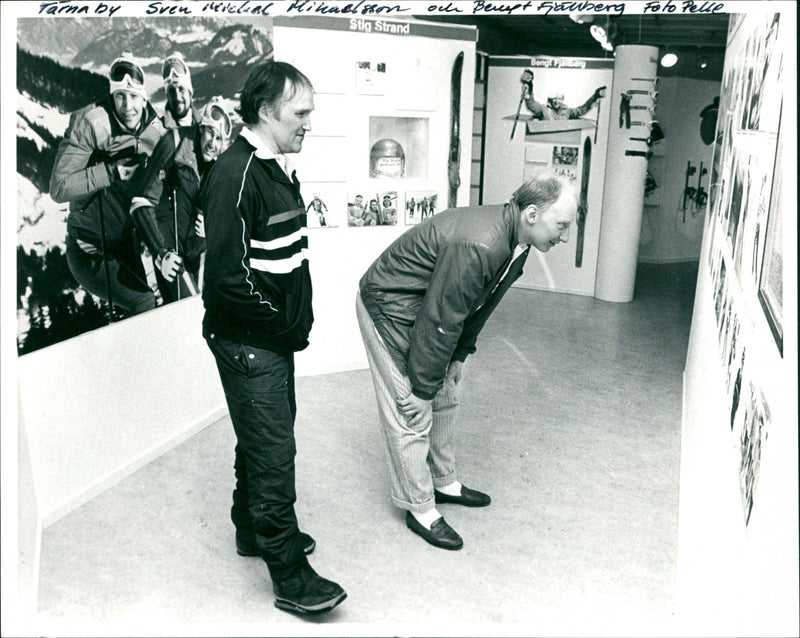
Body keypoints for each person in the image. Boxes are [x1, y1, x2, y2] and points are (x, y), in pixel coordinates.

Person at [356, 170, 578, 550]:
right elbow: (441, 318)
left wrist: (458, 356)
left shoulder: (515, 242)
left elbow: (479, 304)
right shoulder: (483, 243)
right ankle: (420, 508)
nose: (565, 236)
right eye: (561, 225)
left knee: (447, 394)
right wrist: (423, 390)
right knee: (412, 409)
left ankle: (444, 482)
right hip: (389, 305)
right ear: (531, 214)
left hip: (426, 306)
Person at [200, 60, 346, 615]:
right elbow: (226, 284)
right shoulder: (235, 174)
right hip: (250, 342)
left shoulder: (273, 167)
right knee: (273, 451)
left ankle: (249, 530)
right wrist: (284, 324)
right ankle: (289, 574)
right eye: (300, 112)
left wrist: (288, 326)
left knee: (260, 436)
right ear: (265, 111)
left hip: (267, 340)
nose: (309, 122)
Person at [50, 52, 166, 315]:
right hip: (89, 247)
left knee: (145, 309)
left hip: (126, 244)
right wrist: (110, 172)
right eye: (120, 96)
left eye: (134, 96)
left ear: (144, 97)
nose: (127, 106)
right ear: (111, 95)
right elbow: (58, 188)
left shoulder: (155, 130)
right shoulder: (91, 123)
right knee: (144, 303)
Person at [130, 96, 232, 303]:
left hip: (196, 254)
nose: (212, 144)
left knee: (203, 317)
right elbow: (140, 202)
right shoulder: (174, 143)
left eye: (219, 138)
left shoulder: (217, 167)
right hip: (171, 255)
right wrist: (161, 253)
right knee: (190, 315)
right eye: (210, 133)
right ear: (201, 128)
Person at [520, 69, 606, 121]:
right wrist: (530, 85)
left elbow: (582, 110)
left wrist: (595, 97)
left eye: (559, 99)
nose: (557, 101)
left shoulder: (567, 112)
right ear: (550, 99)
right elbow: (531, 105)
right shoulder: (543, 110)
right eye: (554, 98)